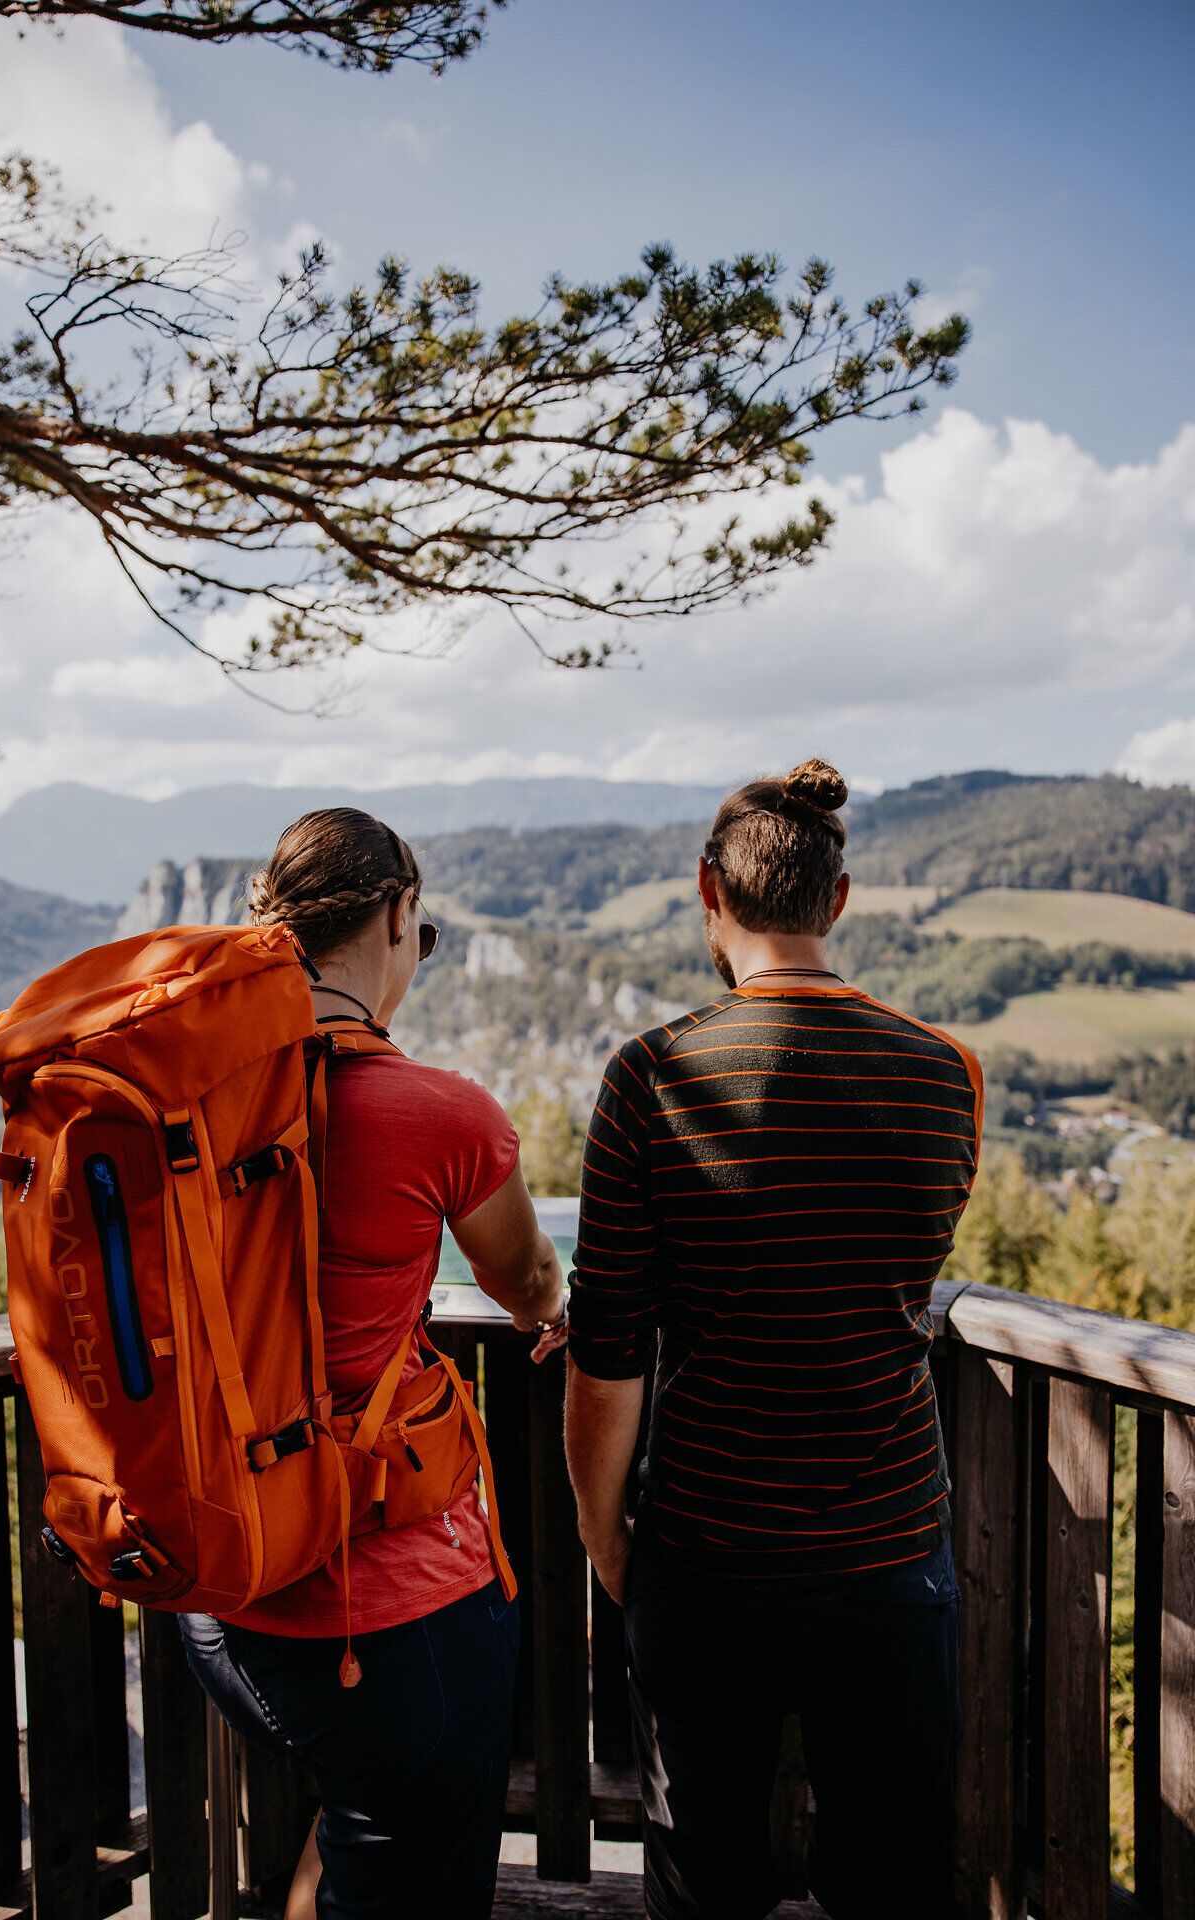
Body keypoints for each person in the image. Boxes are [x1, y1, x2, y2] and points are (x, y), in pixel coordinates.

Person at [564, 758, 983, 1920]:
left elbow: (608, 1352)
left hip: (703, 1549)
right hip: (891, 1548)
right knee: (893, 1874)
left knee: (705, 1873)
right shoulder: (946, 1073)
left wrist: (609, 1543)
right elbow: (898, 1275)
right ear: (836, 900)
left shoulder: (646, 1078)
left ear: (709, 890)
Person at [179, 807, 567, 1920]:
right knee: (413, 1865)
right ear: (399, 916)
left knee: (360, 1823)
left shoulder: (187, 1103)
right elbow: (531, 1285)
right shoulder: (437, 1113)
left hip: (216, 1585)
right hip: (380, 1606)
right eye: (422, 930)